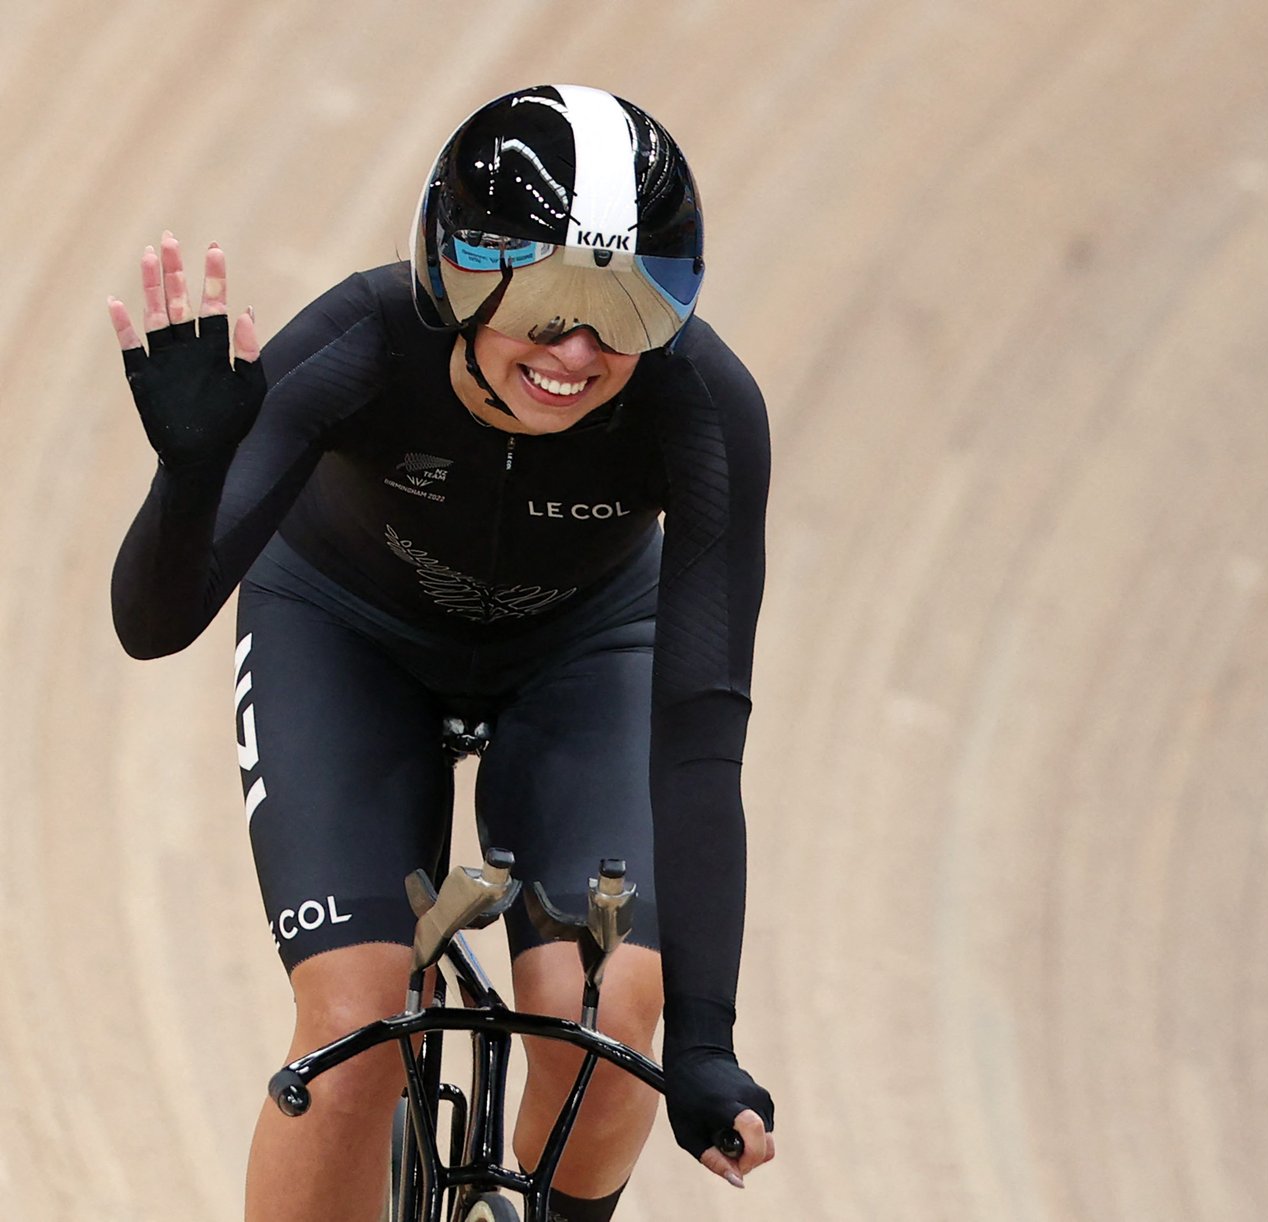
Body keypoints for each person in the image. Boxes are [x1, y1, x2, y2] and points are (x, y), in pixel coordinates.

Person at [106, 83, 775, 1222]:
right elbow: (152, 622)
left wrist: (705, 1042)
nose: (580, 346)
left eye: (629, 307)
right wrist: (191, 478)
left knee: (613, 1023)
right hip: (347, 635)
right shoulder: (360, 341)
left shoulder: (704, 405)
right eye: (550, 295)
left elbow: (702, 745)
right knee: (355, 1030)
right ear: (457, 272)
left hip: (584, 653)